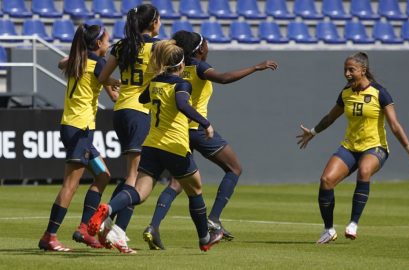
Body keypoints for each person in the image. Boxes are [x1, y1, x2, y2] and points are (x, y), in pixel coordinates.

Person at [142, 30, 278, 250]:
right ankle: (214, 219)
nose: (208, 45)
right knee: (234, 168)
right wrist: (255, 67)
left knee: (177, 183)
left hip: (179, 131)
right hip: (197, 130)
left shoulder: (175, 65)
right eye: (205, 43)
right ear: (199, 49)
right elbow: (223, 78)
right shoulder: (198, 66)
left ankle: (154, 226)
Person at [87, 39, 223, 253]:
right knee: (195, 188)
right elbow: (182, 104)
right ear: (180, 66)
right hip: (175, 145)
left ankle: (108, 208)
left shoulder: (155, 82)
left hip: (151, 145)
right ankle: (205, 238)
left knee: (139, 192)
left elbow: (142, 99)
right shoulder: (181, 84)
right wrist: (205, 123)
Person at [296, 52, 409, 244]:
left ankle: (353, 224)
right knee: (326, 180)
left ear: (363, 70)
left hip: (375, 147)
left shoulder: (379, 93)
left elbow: (394, 125)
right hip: (350, 147)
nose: (347, 73)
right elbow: (330, 117)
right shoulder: (346, 93)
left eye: (351, 69)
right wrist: (313, 132)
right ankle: (328, 230)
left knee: (365, 171)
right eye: (345, 70)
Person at [38, 24, 120, 251]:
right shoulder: (99, 64)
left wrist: (111, 84)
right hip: (80, 130)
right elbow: (112, 86)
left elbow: (61, 63)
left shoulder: (80, 60)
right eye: (106, 41)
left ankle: (84, 229)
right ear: (97, 44)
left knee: (103, 175)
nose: (109, 44)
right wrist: (124, 83)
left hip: (74, 128)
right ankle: (50, 236)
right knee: (70, 185)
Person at [95, 4, 161, 252]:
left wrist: (116, 88)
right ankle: (115, 229)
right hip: (140, 113)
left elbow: (102, 77)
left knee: (131, 175)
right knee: (137, 178)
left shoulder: (122, 46)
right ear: (153, 22)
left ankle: (111, 224)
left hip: (121, 111)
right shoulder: (157, 47)